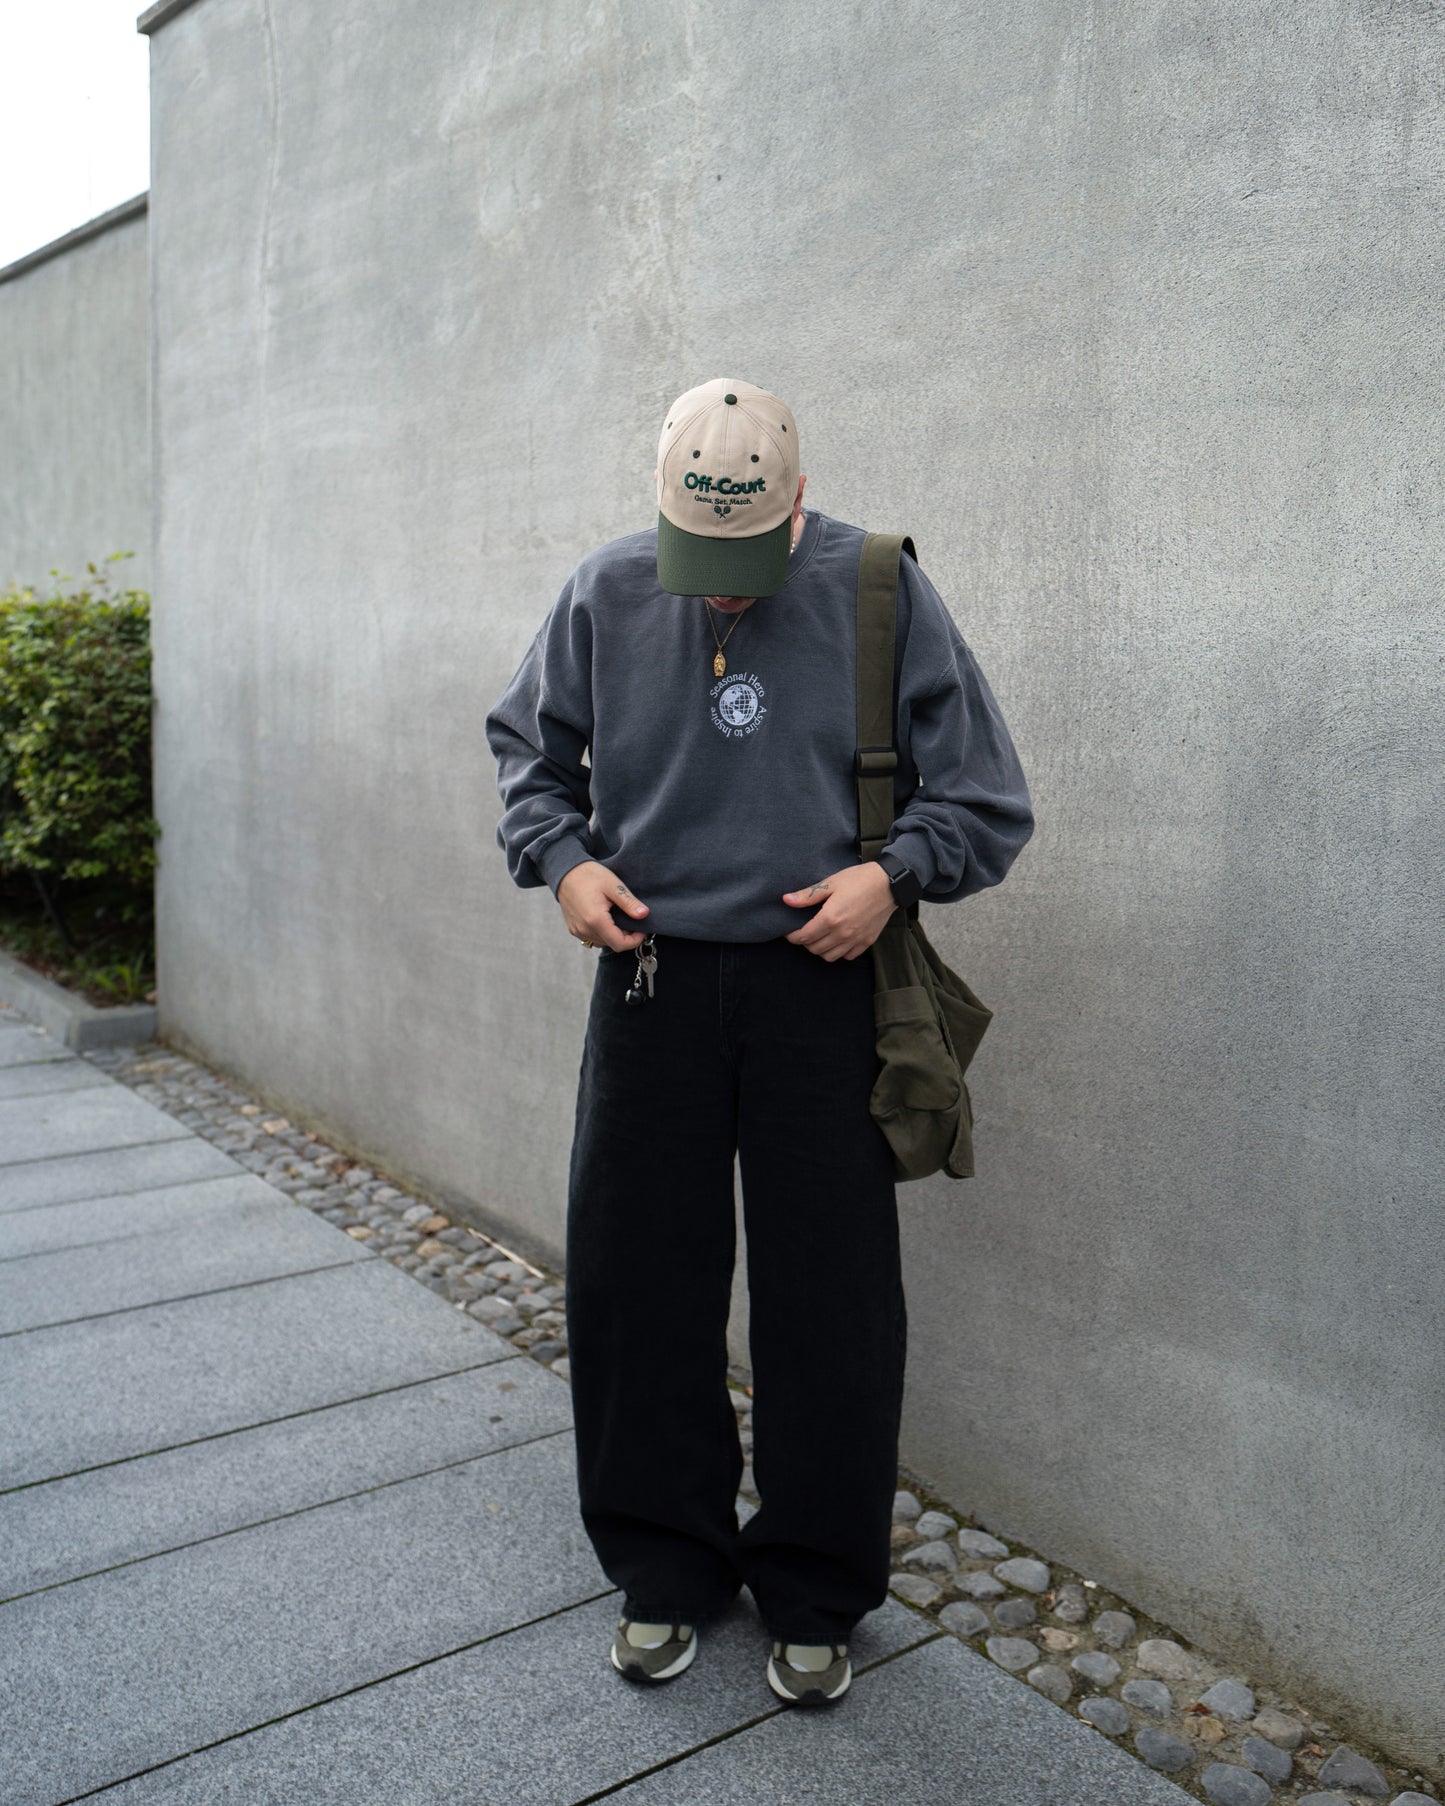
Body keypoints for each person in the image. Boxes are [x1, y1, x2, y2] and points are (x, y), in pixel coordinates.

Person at [485, 377, 1033, 1706]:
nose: (719, 587)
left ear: (796, 502)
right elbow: (528, 754)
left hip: (820, 987)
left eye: (743, 555)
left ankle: (814, 1586)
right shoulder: (606, 589)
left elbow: (985, 797)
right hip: (651, 982)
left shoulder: (880, 587)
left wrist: (890, 876)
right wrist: (563, 862)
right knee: (636, 1287)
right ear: (660, 504)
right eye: (696, 554)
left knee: (829, 1301)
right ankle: (663, 1564)